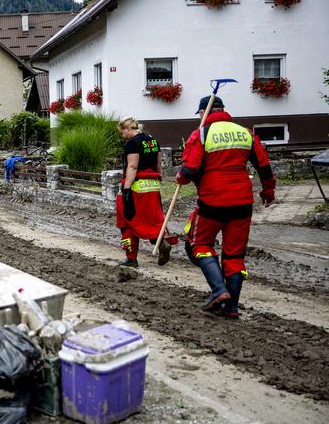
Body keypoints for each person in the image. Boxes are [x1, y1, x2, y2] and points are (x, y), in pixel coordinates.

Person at [177, 96, 276, 318]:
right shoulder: (246, 133)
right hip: (242, 202)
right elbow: (264, 167)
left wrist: (180, 177)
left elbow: (189, 171)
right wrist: (268, 191)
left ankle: (219, 291)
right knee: (234, 255)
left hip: (213, 201)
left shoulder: (201, 134)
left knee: (199, 243)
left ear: (204, 112)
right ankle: (231, 308)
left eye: (199, 114)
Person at [115, 116, 173, 268]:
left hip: (136, 187)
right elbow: (159, 162)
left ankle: (131, 258)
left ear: (128, 129)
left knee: (127, 220)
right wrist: (157, 179)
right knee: (151, 218)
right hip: (152, 187)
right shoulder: (152, 140)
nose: (123, 136)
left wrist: (126, 189)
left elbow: (132, 167)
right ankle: (161, 242)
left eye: (122, 132)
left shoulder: (133, 143)